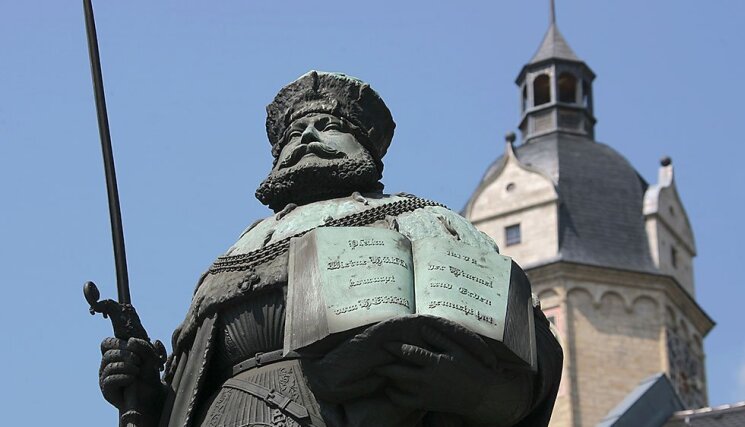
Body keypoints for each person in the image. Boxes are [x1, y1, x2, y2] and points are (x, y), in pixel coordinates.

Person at [99, 71, 563, 427]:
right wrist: (145, 391)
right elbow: (190, 397)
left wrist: (481, 392)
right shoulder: (236, 251)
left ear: (364, 148)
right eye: (294, 134)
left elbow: (521, 341)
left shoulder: (423, 218)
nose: (307, 137)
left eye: (328, 125)